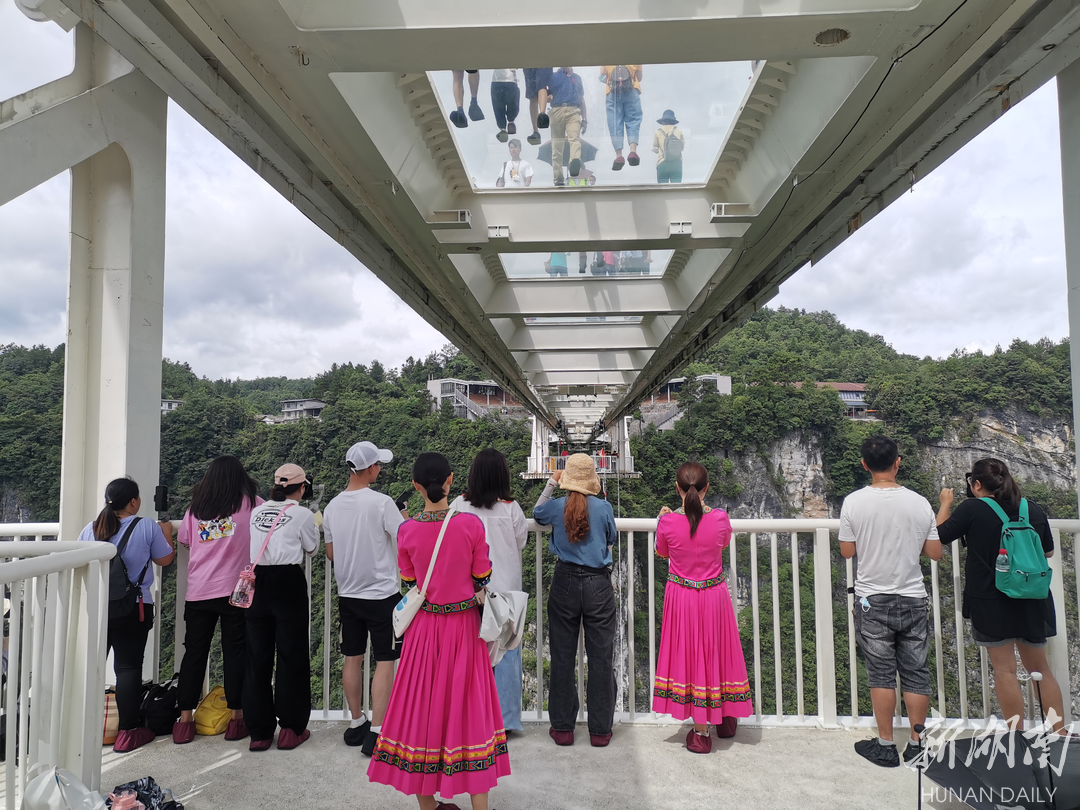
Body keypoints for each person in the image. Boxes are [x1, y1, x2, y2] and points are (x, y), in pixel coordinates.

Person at [368, 452, 510, 810]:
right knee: (471, 712)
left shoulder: (406, 530)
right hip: (464, 628)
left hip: (423, 631)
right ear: (450, 480)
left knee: (421, 711)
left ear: (416, 486)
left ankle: (429, 805)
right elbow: (482, 577)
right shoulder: (470, 525)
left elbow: (410, 582)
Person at [937, 458, 1063, 732]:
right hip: (1031, 595)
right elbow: (1048, 551)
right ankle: (1060, 733)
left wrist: (945, 503)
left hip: (990, 599)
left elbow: (938, 537)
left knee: (1005, 670)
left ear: (977, 484)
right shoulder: (1031, 508)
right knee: (1040, 669)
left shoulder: (972, 508)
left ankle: (1016, 737)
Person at [839, 436, 942, 767]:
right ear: (898, 462)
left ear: (864, 464)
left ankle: (885, 745)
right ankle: (917, 744)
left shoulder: (853, 502)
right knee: (915, 672)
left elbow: (847, 551)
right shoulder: (920, 502)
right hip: (912, 596)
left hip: (872, 598)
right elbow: (934, 552)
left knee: (881, 673)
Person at [653, 461, 751, 754]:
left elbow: (662, 551)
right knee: (717, 652)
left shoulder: (668, 522)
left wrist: (663, 518)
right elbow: (722, 545)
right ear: (707, 488)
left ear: (677, 488)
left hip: (682, 597)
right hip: (713, 596)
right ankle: (725, 719)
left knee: (692, 656)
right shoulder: (720, 518)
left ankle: (700, 733)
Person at [78, 477, 175, 753]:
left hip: (98, 607)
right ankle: (127, 732)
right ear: (133, 502)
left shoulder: (91, 529)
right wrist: (166, 530)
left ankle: (85, 729)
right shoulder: (145, 526)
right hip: (134, 607)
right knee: (128, 669)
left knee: (92, 668)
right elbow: (165, 559)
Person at [323, 441, 406, 755]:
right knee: (385, 660)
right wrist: (404, 517)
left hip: (348, 595)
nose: (380, 469)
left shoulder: (331, 507)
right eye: (378, 465)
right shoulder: (382, 503)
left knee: (352, 658)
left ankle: (357, 721)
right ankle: (378, 731)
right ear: (370, 468)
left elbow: (331, 553)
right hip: (382, 594)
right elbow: (403, 539)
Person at [172, 456, 262, 745]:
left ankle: (185, 721)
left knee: (194, 654)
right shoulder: (252, 504)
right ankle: (237, 719)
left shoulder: (196, 509)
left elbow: (185, 540)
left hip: (199, 591)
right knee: (235, 652)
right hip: (235, 591)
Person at [533, 453, 617, 747]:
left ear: (567, 478)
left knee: (563, 656)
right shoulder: (604, 507)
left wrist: (551, 483)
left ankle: (563, 728)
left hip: (565, 582)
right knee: (601, 658)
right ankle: (600, 731)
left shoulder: (557, 507)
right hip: (598, 585)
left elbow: (536, 512)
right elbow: (610, 538)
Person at [451, 449, 528, 733]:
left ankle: (472, 720)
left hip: (469, 591)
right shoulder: (511, 508)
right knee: (507, 653)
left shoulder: (459, 504)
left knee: (472, 655)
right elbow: (520, 542)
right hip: (506, 591)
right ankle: (506, 722)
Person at [244, 463, 320, 751]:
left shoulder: (257, 511)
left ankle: (260, 732)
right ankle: (291, 728)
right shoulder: (302, 514)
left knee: (257, 657)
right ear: (302, 488)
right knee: (291, 654)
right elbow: (311, 549)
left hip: (258, 580)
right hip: (288, 581)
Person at [548, 67, 587, 186]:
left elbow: (581, 99)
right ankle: (558, 177)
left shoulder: (576, 78)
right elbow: (547, 95)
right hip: (556, 110)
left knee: (574, 139)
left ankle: (574, 161)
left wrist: (584, 119)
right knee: (556, 146)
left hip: (573, 111)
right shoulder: (553, 76)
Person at [599, 65, 643, 171]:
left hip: (612, 91)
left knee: (614, 122)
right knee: (633, 119)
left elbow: (601, 77)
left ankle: (619, 156)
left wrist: (611, 82)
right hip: (631, 88)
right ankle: (633, 152)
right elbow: (639, 77)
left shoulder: (607, 54)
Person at [652, 110, 684, 183]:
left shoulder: (658, 132)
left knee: (663, 191)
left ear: (663, 121)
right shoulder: (679, 131)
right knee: (676, 190)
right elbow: (682, 148)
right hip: (677, 163)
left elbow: (655, 148)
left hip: (662, 163)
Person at [523, 67, 552, 145]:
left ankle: (542, 114)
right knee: (533, 94)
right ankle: (536, 130)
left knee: (540, 86)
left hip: (541, 60)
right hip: (531, 62)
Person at [490, 68, 520, 142]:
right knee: (509, 105)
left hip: (501, 80)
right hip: (506, 80)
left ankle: (506, 125)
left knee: (498, 108)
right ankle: (509, 122)